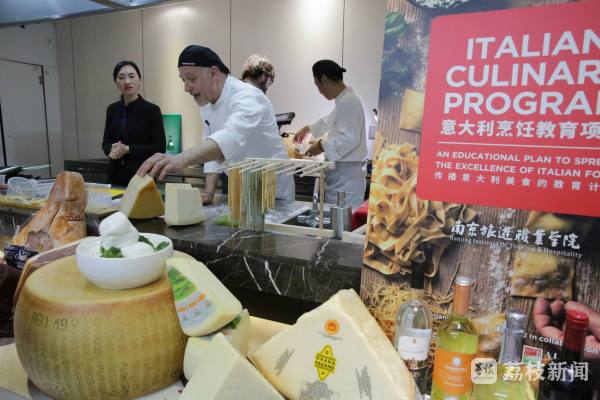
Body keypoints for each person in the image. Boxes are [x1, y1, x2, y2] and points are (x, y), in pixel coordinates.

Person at [137, 45, 294, 204]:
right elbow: (212, 147)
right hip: (241, 187)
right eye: (183, 80)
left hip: (272, 189)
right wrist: (209, 191)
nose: (186, 88)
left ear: (213, 73)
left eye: (191, 79)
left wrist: (179, 159)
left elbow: (228, 139)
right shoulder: (207, 105)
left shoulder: (248, 96)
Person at [293, 60, 367, 207]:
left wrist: (321, 145)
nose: (319, 91)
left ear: (324, 80)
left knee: (341, 220)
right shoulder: (345, 100)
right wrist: (308, 129)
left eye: (317, 85)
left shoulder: (347, 102)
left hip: (346, 181)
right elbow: (330, 121)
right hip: (343, 179)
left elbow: (349, 139)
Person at [102, 61, 166, 186]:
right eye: (121, 77)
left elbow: (160, 146)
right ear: (116, 82)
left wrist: (128, 149)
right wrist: (112, 149)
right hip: (115, 174)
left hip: (141, 175)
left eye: (131, 76)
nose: (127, 81)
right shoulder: (112, 109)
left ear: (139, 81)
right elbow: (105, 143)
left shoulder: (151, 110)